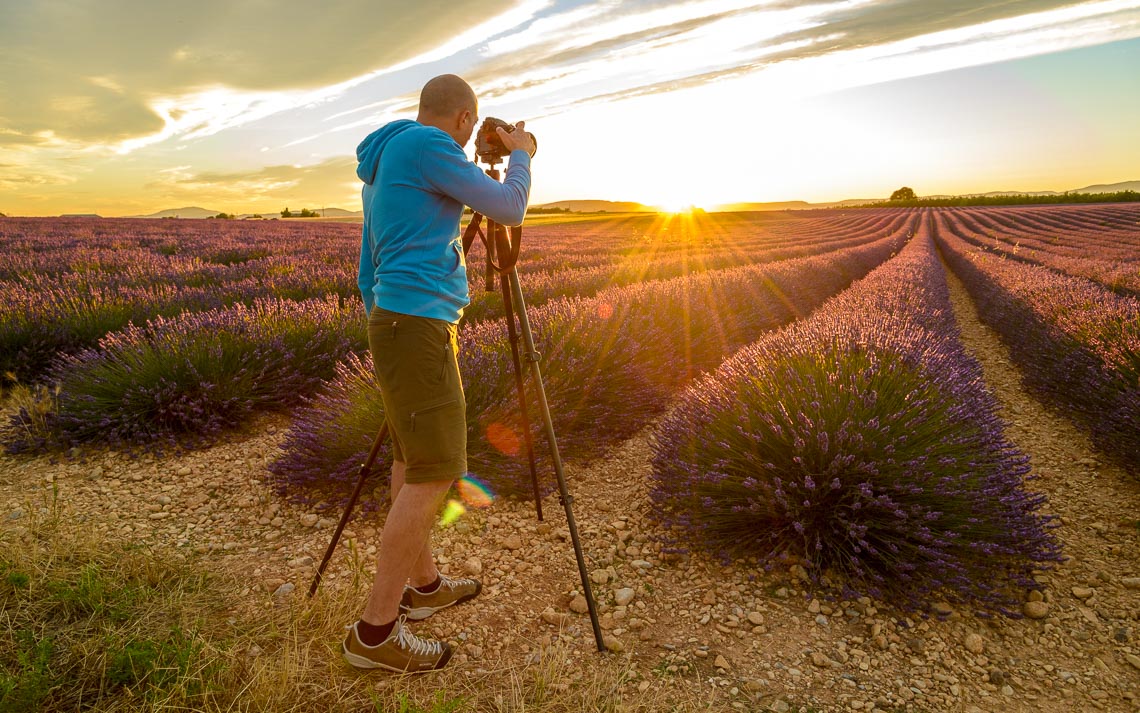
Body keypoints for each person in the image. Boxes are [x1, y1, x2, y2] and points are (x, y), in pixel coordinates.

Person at [343, 74, 537, 672]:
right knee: (438, 469)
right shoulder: (430, 147)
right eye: (473, 129)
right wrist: (522, 155)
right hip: (416, 324)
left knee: (411, 459)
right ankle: (374, 636)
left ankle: (423, 589)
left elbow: (369, 254)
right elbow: (507, 205)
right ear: (462, 119)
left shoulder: (390, 150)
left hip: (401, 319)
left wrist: (385, 314)